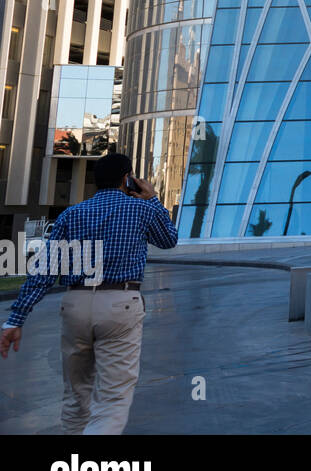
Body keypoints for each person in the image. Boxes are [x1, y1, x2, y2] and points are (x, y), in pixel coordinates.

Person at [0, 153, 178, 434]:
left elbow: (45, 270)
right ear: (126, 179)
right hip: (120, 303)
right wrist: (152, 198)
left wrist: (15, 319)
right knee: (113, 398)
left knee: (75, 395)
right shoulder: (142, 209)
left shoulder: (71, 214)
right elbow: (169, 240)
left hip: (76, 303)